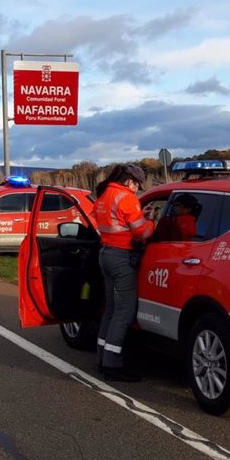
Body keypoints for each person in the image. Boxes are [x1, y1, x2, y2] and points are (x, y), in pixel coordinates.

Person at [92, 163, 153, 382]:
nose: (137, 188)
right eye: (137, 184)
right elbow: (142, 231)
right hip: (121, 257)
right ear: (129, 181)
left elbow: (109, 221)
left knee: (110, 309)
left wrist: (139, 215)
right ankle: (112, 364)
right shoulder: (126, 198)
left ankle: (101, 357)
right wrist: (152, 222)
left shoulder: (105, 194)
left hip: (106, 253)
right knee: (124, 312)